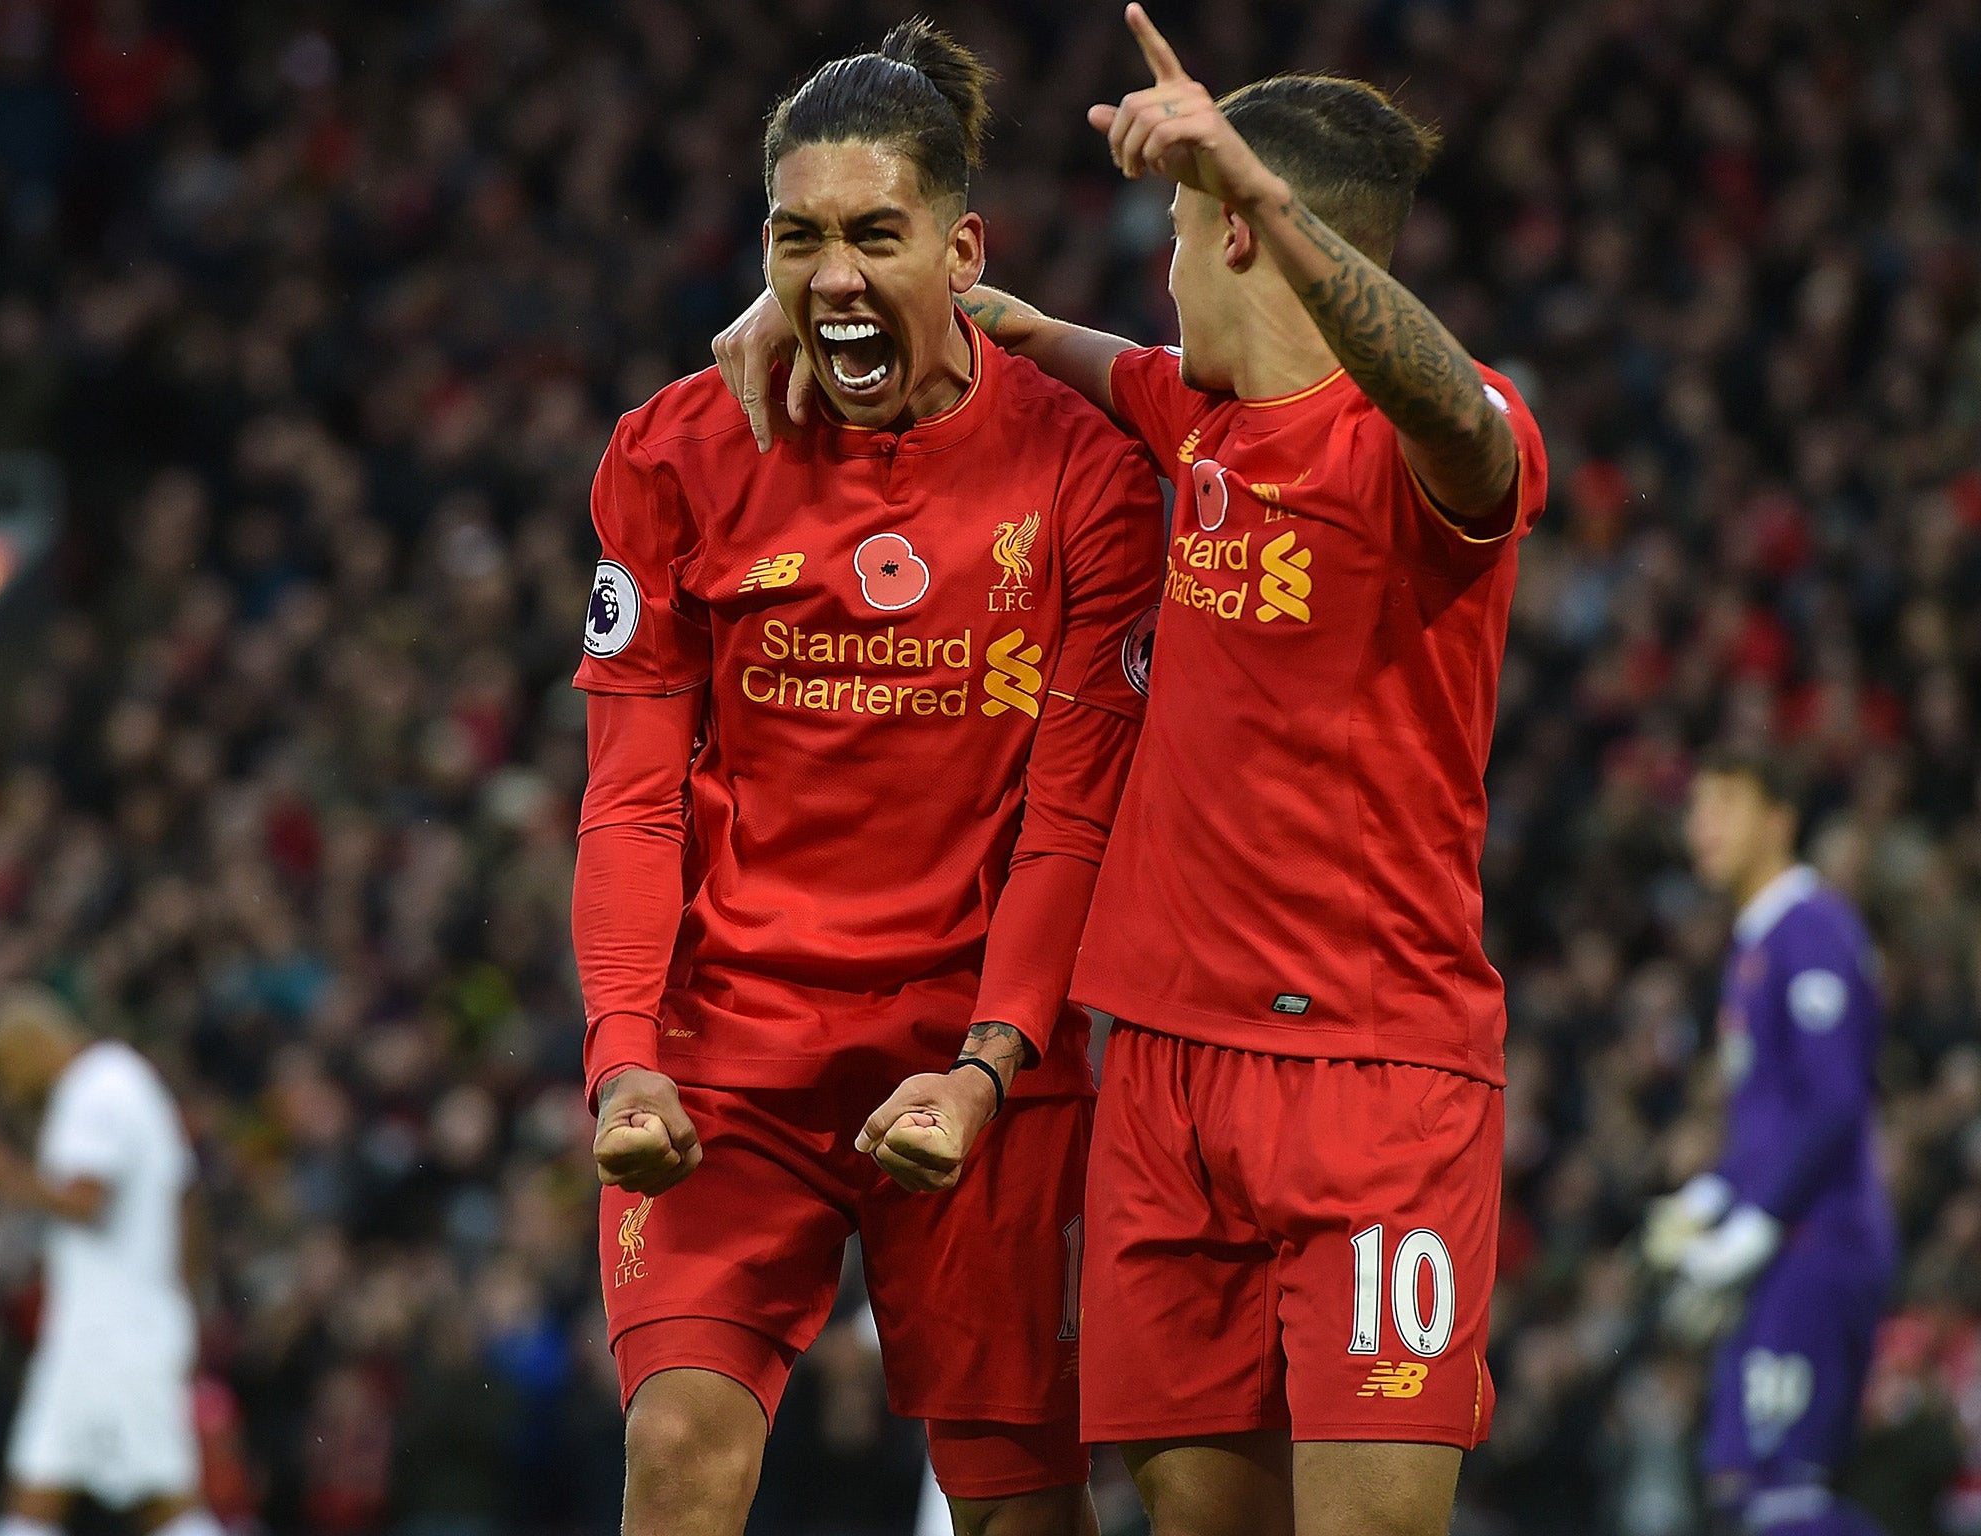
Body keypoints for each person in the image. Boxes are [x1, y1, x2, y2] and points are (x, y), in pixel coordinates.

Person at [717, 7, 1549, 1532]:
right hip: (1161, 1075)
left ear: (1239, 241)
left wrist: (1269, 196)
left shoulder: (1430, 442)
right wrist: (810, 306)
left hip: (1373, 1075)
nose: (1161, 269)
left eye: (1180, 229)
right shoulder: (1194, 422)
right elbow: (1013, 334)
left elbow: (1462, 424)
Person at [572, 21, 1165, 1536]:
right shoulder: (675, 453)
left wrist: (987, 1066)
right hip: (730, 1061)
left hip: (970, 1053)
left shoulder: (1084, 477)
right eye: (798, 238)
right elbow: (633, 793)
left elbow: (1070, 817)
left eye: (874, 236)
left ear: (964, 250)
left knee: (1018, 1500)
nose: (833, 275)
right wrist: (624, 1053)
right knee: (680, 1455)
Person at [1644, 750, 1896, 1536]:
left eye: (1725, 804)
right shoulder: (1756, 945)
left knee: (1781, 1492)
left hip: (1819, 1242)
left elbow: (1834, 1102)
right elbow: (1773, 1124)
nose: (1702, 827)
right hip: (1791, 1242)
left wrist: (1753, 1227)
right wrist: (1713, 1196)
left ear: (1779, 819)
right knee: (1747, 1483)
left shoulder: (1811, 928)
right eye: (1696, 809)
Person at [0, 986, 218, 1536]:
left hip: (114, 1334)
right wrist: (184, 1304)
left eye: (5, 1065)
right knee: (38, 1493)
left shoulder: (91, 1088)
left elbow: (87, 1201)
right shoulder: (128, 1077)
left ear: (27, 1046)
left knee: (164, 1503)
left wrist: (0, 1172)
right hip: (112, 1327)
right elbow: (188, 1201)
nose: (9, 1083)